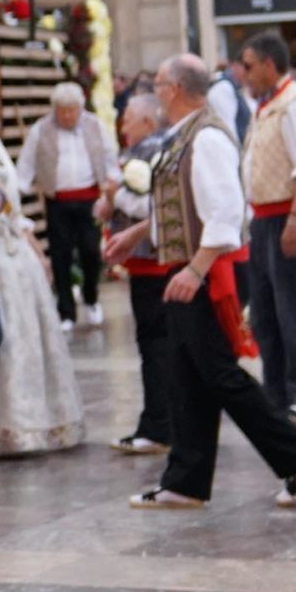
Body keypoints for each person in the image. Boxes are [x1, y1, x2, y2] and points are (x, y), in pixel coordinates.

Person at [113, 59, 296, 511]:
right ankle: (186, 481)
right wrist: (138, 234)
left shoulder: (206, 137)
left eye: (158, 83)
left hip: (207, 271)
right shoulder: (185, 134)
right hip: (190, 266)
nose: (155, 90)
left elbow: (226, 213)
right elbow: (184, 203)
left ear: (173, 88)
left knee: (219, 373)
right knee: (186, 373)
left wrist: (195, 270)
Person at [0, 107, 84, 460]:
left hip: (13, 249)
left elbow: (15, 210)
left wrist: (37, 251)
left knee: (30, 338)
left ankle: (33, 424)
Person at [238, 30, 296, 422]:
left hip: (289, 216)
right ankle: (276, 390)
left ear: (269, 64)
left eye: (249, 66)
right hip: (263, 219)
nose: (244, 74)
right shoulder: (266, 105)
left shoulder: (295, 104)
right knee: (265, 312)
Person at [102, 90, 173, 455]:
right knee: (152, 343)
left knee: (156, 344)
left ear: (147, 121)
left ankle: (159, 425)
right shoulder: (136, 151)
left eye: (128, 117)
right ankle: (159, 421)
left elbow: (154, 206)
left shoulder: (155, 150)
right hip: (142, 262)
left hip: (154, 262)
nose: (123, 124)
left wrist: (116, 195)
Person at [17, 81, 115, 330]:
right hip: (57, 200)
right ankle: (66, 312)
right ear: (55, 110)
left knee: (91, 251)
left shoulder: (95, 125)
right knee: (60, 255)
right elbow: (27, 162)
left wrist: (113, 184)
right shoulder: (41, 129)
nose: (68, 116)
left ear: (80, 108)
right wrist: (19, 188)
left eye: (72, 110)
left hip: (89, 198)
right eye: (63, 111)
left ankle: (91, 298)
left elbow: (109, 156)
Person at [206, 55, 252, 146]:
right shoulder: (223, 87)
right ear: (235, 66)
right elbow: (228, 129)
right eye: (246, 67)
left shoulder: (234, 87)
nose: (249, 73)